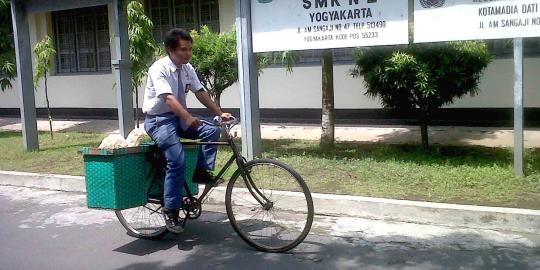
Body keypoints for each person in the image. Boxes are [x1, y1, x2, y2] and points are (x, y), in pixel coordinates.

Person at [142, 28, 233, 233]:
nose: (188, 53)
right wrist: (187, 117)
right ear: (170, 49)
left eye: (190, 49)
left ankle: (202, 171)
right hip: (159, 121)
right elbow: (168, 99)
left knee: (211, 131)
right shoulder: (159, 68)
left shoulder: (187, 68)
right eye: (183, 50)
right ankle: (171, 210)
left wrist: (220, 113)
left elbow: (200, 91)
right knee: (177, 161)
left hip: (179, 117)